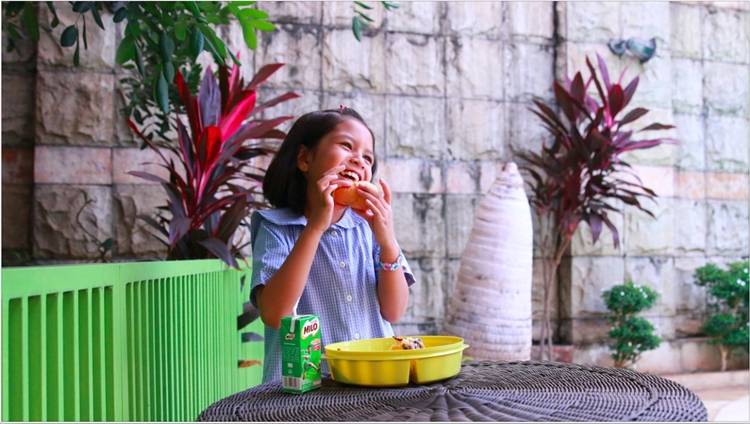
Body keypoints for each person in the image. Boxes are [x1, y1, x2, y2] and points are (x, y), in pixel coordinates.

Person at [250, 106, 417, 383]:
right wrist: (315, 227)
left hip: (374, 383)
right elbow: (275, 314)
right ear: (305, 159)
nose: (358, 161)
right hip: (305, 393)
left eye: (368, 158)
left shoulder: (369, 228)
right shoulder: (275, 226)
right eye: (346, 146)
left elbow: (394, 310)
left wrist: (388, 242)